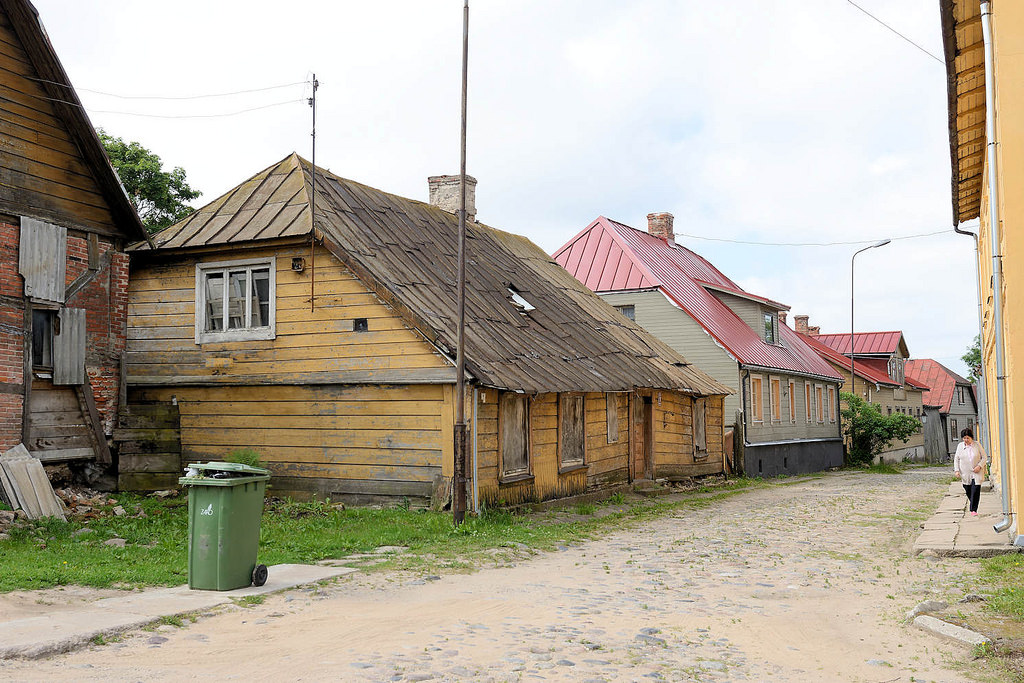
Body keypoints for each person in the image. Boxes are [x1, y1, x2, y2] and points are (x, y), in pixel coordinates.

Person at [953, 428, 987, 516]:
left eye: (968, 438)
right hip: (965, 473)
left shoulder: (977, 445)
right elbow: (956, 459)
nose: (966, 440)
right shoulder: (960, 446)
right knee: (968, 489)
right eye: (964, 438)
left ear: (971, 437)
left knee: (975, 489)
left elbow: (984, 457)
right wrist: (957, 470)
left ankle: (973, 509)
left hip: (977, 472)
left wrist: (979, 466)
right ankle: (973, 503)